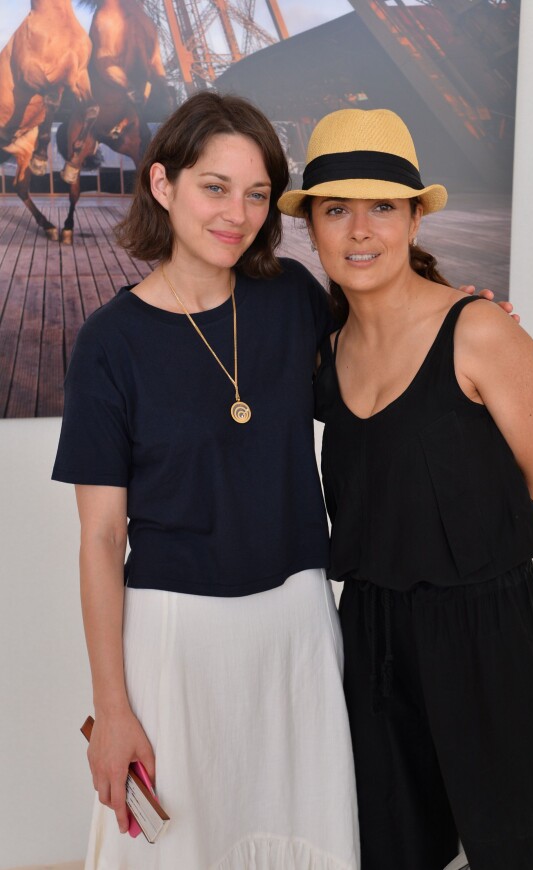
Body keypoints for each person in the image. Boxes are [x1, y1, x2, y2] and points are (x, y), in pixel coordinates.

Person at [52, 92, 360, 870]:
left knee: (300, 840)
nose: (238, 213)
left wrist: (468, 327)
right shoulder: (109, 343)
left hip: (296, 628)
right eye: (215, 188)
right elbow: (99, 537)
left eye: (257, 194)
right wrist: (111, 708)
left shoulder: (292, 297)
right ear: (163, 185)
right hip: (174, 640)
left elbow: (381, 367)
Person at [278, 108, 533, 870]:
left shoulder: (479, 330)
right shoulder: (324, 353)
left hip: (490, 626)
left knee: (525, 848)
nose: (359, 230)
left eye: (383, 205)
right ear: (310, 226)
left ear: (415, 219)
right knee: (388, 848)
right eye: (335, 209)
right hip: (372, 632)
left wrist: (472, 567)